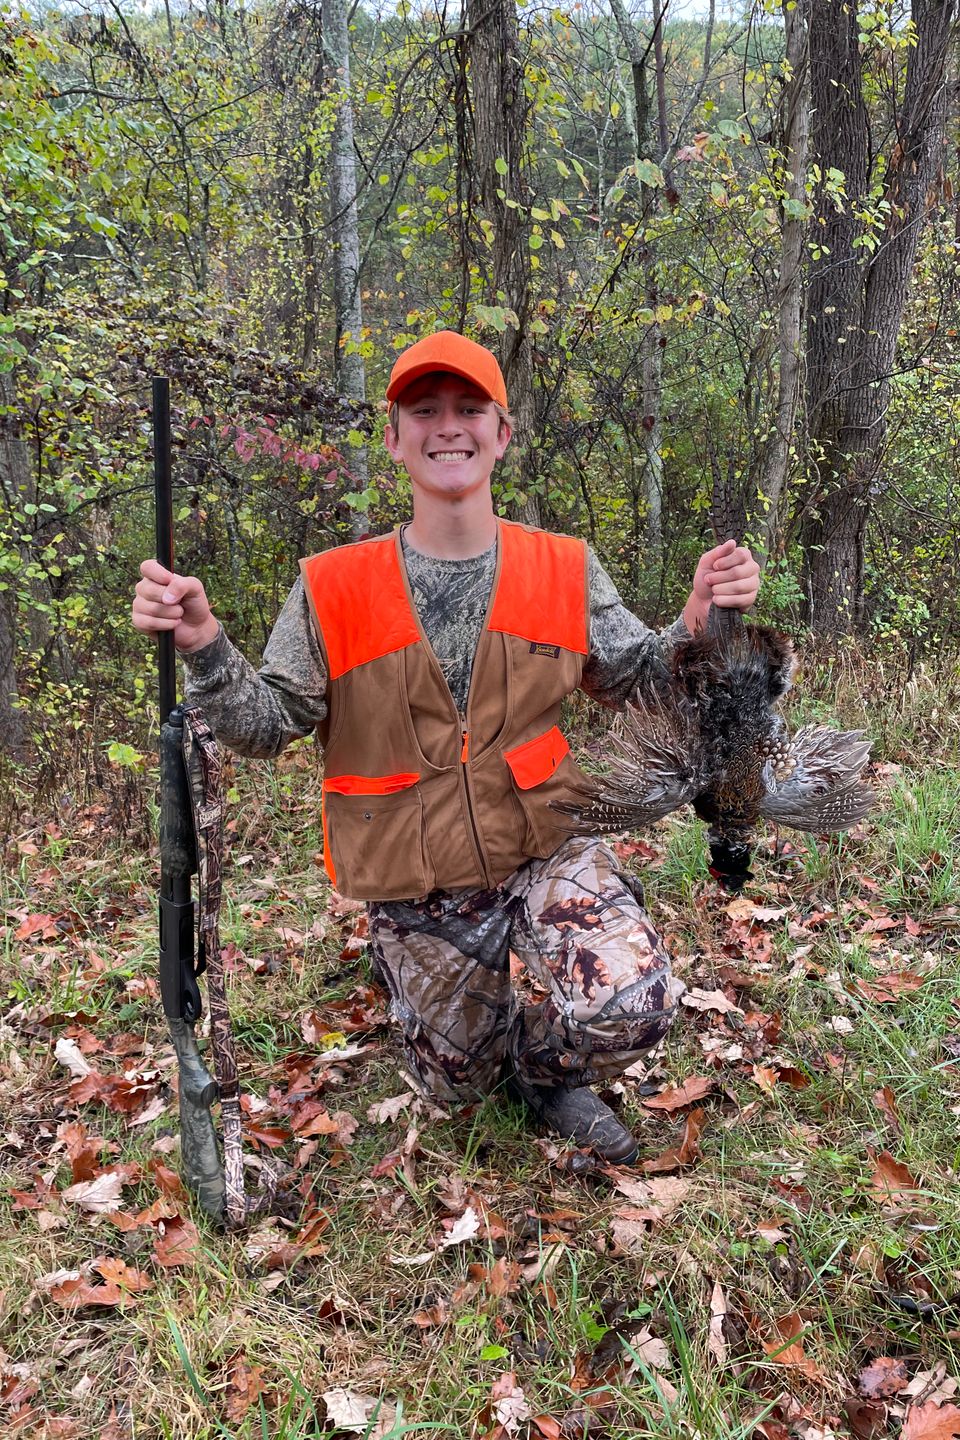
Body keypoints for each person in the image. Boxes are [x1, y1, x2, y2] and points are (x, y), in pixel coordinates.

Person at [132, 331, 760, 1165]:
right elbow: (264, 726)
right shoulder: (332, 584)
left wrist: (693, 618)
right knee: (456, 1085)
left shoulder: (563, 566)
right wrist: (206, 642)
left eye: (470, 409)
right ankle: (459, 1013)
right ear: (394, 440)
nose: (448, 428)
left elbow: (638, 681)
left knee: (630, 1004)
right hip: (415, 876)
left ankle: (550, 1072)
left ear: (503, 433)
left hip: (546, 845)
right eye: (423, 411)